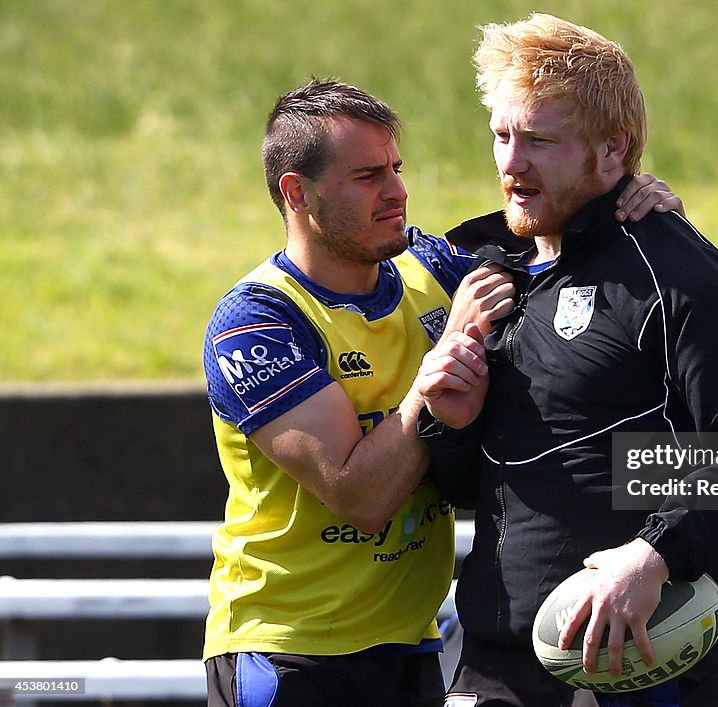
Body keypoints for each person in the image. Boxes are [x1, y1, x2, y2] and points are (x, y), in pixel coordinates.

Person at [201, 77, 683, 706]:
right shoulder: (257, 322)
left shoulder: (432, 266)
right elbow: (362, 496)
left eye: (396, 168)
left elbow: (555, 238)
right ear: (298, 192)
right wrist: (436, 374)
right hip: (290, 651)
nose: (398, 192)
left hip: (413, 642)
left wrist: (634, 203)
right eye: (367, 177)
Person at [416, 14, 718, 707]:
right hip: (495, 660)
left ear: (613, 148)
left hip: (648, 664)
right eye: (502, 136)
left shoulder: (680, 275)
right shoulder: (485, 276)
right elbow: (476, 487)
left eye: (539, 140)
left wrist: (652, 553)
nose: (511, 164)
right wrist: (447, 422)